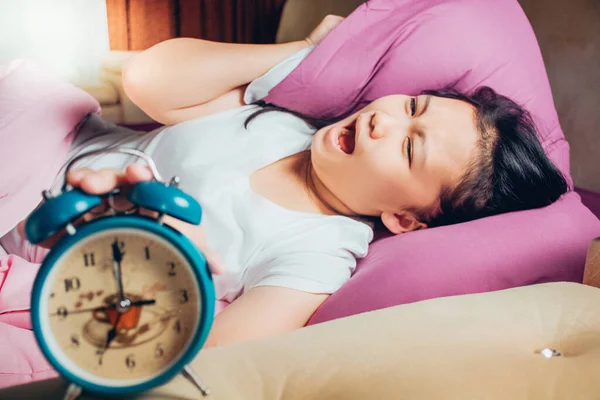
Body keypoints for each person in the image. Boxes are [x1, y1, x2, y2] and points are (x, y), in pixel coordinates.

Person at [10, 15, 568, 348]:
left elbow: (224, 355)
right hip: (40, 138)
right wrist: (308, 52)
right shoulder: (287, 120)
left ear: (405, 217)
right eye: (414, 106)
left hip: (52, 245)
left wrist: (175, 274)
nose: (385, 118)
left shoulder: (319, 254)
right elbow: (147, 79)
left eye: (408, 146)